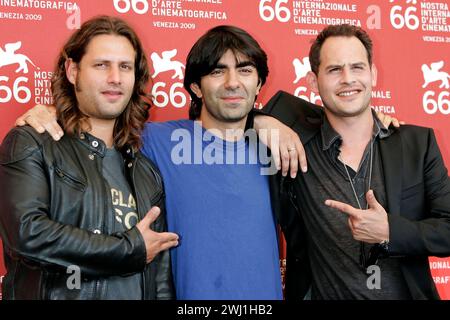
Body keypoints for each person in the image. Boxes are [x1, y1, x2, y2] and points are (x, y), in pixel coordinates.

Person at [12, 24, 399, 299]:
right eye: (218, 71)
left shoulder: (280, 144)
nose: (233, 83)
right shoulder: (155, 141)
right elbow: (97, 130)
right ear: (196, 86)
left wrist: (382, 121)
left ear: (259, 84)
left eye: (245, 71)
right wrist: (50, 113)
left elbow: (345, 112)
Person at [261, 24, 450, 299]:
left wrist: (390, 231)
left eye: (357, 67)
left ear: (373, 74)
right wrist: (261, 120)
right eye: (334, 70)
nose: (348, 79)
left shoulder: (416, 144)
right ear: (314, 82)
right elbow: (227, 114)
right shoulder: (298, 143)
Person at [0, 16, 179, 300]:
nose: (115, 78)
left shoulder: (146, 170)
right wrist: (130, 248)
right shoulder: (32, 142)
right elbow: (28, 235)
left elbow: (159, 277)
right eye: (101, 65)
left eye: (125, 67)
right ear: (72, 71)